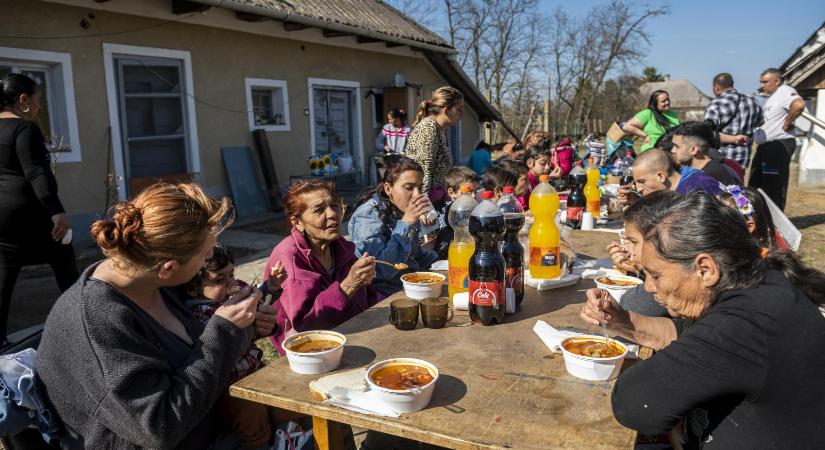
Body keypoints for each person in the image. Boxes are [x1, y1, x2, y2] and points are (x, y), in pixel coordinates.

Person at [37, 182, 278, 448]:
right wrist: (225, 332)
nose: (209, 257)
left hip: (216, 426)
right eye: (204, 254)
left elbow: (201, 353)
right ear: (168, 267)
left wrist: (249, 327)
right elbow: (160, 428)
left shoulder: (161, 284)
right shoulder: (98, 322)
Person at [581, 191, 825, 448]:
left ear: (705, 269)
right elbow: (684, 333)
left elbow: (635, 404)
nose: (650, 287)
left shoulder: (743, 323)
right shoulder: (758, 283)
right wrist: (620, 320)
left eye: (656, 274)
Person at [0, 73, 79, 346]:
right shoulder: (24, 129)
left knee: (5, 270)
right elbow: (35, 171)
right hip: (29, 211)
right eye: (37, 101)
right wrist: (55, 210)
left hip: (2, 215)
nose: (39, 107)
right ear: (23, 100)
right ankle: (82, 323)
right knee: (64, 258)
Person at [185, 243, 285, 449]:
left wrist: (270, 288)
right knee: (252, 422)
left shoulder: (232, 289)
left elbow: (255, 296)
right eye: (220, 279)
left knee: (280, 402)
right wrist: (253, 326)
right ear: (192, 284)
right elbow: (218, 347)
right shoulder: (199, 314)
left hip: (255, 370)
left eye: (232, 274)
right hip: (229, 386)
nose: (231, 283)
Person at [265, 180, 379, 353]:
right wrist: (348, 285)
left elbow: (368, 297)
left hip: (352, 332)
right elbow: (307, 325)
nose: (333, 214)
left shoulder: (340, 246)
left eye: (334, 205)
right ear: (297, 221)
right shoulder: (291, 257)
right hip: (309, 350)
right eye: (319, 210)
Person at [349, 157, 439, 296]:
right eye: (409, 188)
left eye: (420, 188)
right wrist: (407, 223)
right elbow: (380, 271)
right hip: (384, 297)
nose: (417, 195)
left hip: (409, 286)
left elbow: (414, 255)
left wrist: (441, 263)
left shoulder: (401, 210)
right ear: (388, 188)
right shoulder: (367, 217)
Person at [749, 68, 807, 211]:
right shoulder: (772, 97)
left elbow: (799, 104)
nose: (762, 85)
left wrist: (788, 122)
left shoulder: (785, 90)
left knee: (773, 187)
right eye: (761, 82)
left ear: (777, 81)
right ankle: (759, 220)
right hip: (766, 146)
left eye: (765, 82)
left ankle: (776, 226)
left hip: (778, 145)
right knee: (755, 185)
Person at [405, 87, 463, 202]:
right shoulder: (429, 128)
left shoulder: (441, 129)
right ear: (446, 110)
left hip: (436, 201)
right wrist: (423, 209)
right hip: (424, 206)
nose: (462, 114)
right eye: (459, 109)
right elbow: (424, 172)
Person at [618, 149, 721, 204]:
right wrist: (634, 199)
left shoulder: (695, 191)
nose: (638, 189)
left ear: (661, 177)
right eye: (636, 182)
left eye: (642, 181)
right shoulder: (675, 186)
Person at [704, 72, 764, 168]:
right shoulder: (753, 101)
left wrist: (733, 139)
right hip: (744, 158)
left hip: (722, 158)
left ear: (716, 87)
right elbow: (760, 122)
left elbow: (708, 133)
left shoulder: (715, 104)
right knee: (738, 182)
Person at [670, 121, 742, 185]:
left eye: (676, 146)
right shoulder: (693, 172)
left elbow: (739, 199)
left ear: (693, 149)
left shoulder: (711, 176)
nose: (672, 150)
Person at [434, 166, 480, 259]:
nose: (474, 195)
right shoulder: (450, 212)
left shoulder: (473, 207)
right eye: (468, 192)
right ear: (451, 192)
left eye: (476, 191)